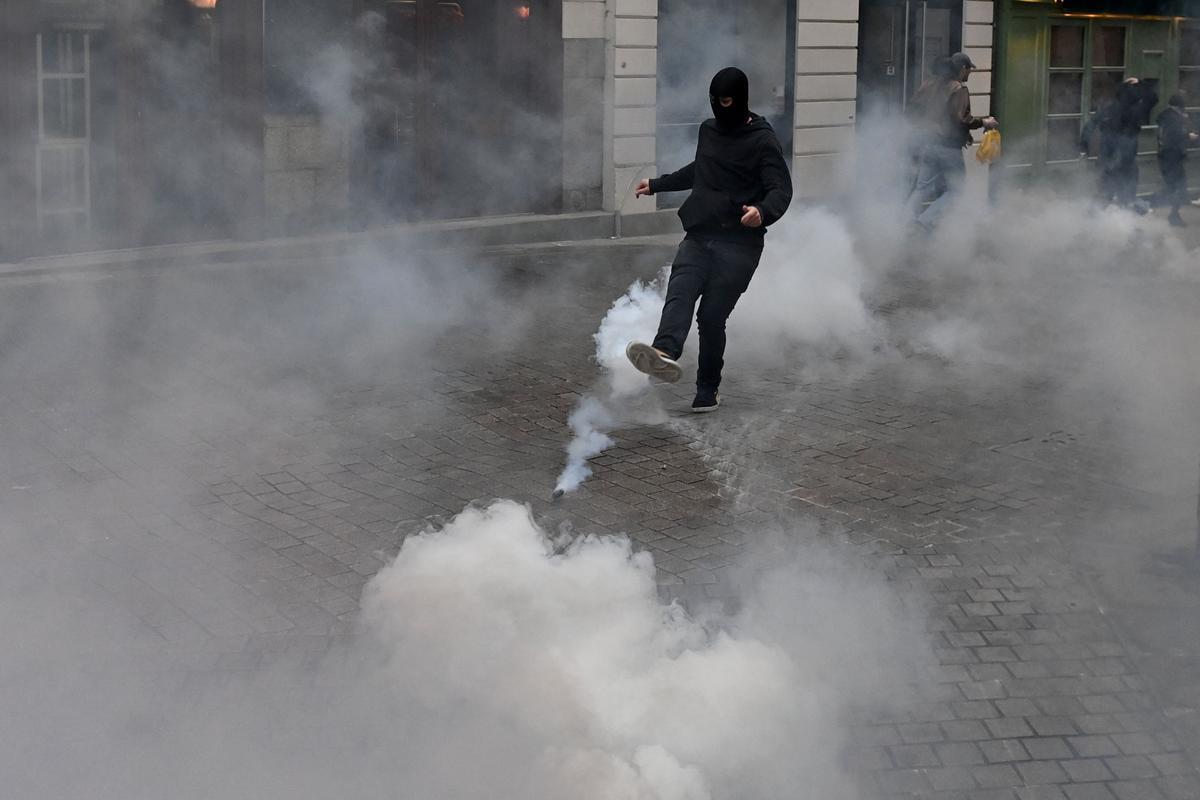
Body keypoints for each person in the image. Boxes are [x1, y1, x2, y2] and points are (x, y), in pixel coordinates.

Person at [624, 67, 792, 413]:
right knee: (680, 287)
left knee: (711, 318)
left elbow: (781, 189)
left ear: (740, 100)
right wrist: (657, 184)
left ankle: (708, 389)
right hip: (701, 233)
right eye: (714, 101)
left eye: (726, 101)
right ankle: (664, 351)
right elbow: (699, 169)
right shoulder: (708, 130)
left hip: (740, 246)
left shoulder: (762, 140)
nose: (719, 107)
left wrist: (762, 212)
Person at [907, 52, 998, 231]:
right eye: (969, 69)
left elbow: (914, 109)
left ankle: (905, 223)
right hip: (948, 147)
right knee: (956, 190)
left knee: (922, 188)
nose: (970, 73)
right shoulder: (958, 88)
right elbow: (961, 119)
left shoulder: (929, 84)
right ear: (962, 68)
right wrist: (985, 122)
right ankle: (925, 222)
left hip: (928, 144)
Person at [1080, 77, 1158, 210]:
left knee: (1104, 195)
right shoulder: (1137, 110)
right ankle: (1123, 225)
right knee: (1127, 198)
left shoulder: (1108, 109)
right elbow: (1153, 97)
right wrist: (1140, 82)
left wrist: (1083, 149)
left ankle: (1093, 222)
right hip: (1126, 162)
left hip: (1107, 160)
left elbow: (1089, 127)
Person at [1157, 91, 1198, 226]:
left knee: (1173, 186)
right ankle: (1173, 216)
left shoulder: (1164, 116)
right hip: (1172, 156)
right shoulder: (1174, 119)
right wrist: (1188, 136)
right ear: (1179, 107)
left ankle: (1173, 214)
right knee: (1179, 187)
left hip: (1165, 155)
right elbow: (1176, 135)